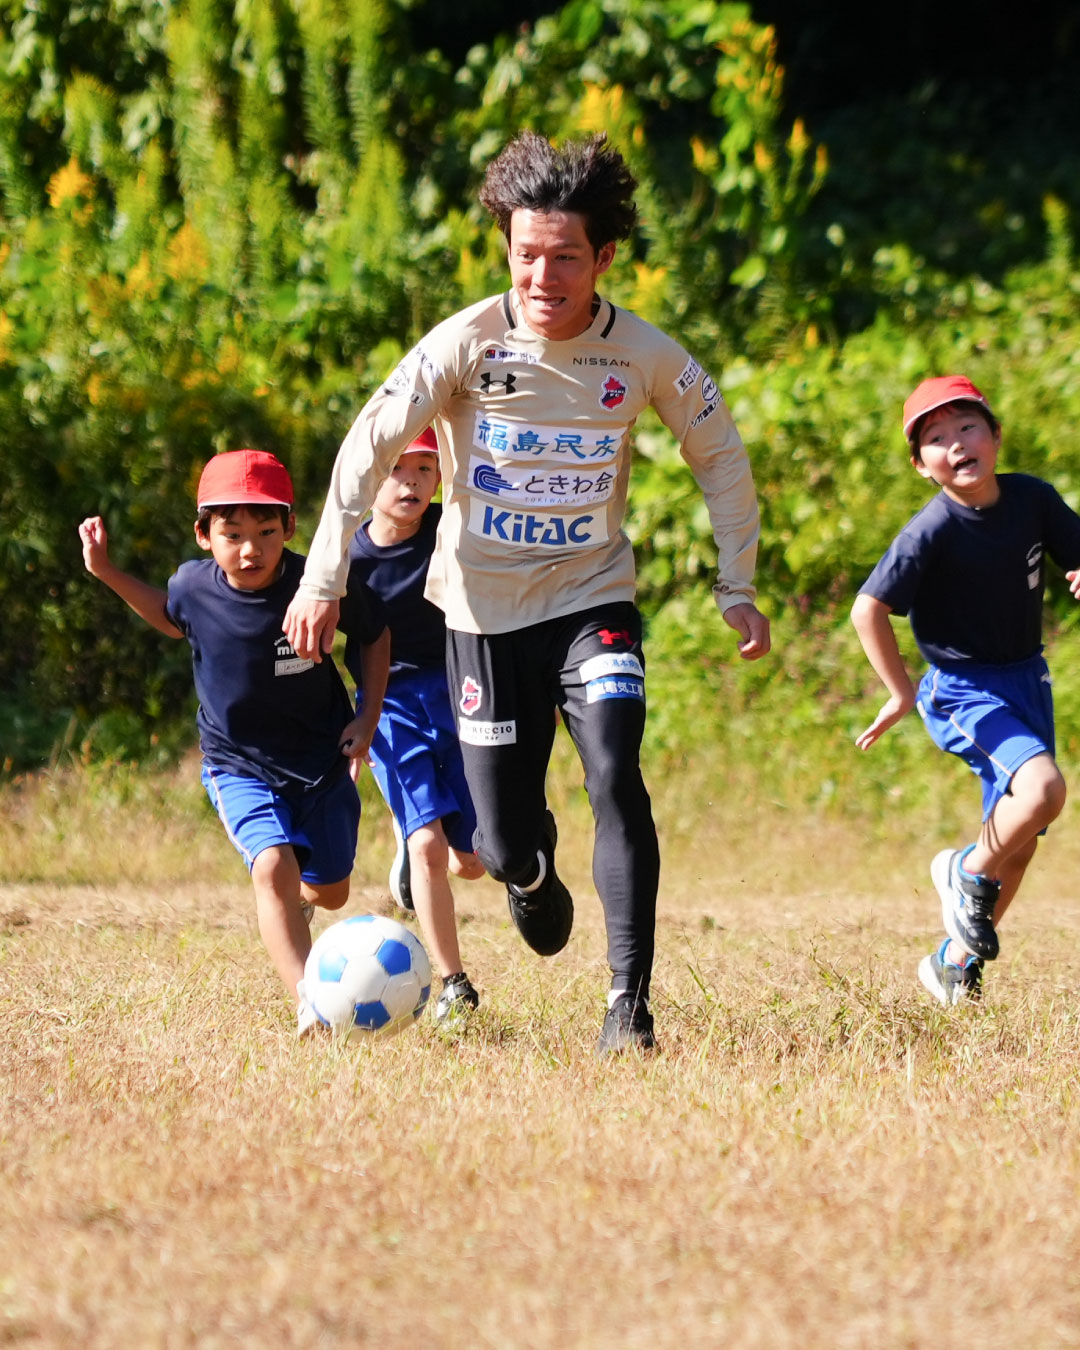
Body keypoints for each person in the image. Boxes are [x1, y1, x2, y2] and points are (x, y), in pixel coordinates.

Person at [283, 131, 770, 1055]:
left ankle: (629, 1006)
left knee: (617, 773)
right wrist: (323, 576)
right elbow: (369, 445)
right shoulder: (466, 342)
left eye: (567, 258)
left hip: (593, 601)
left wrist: (735, 581)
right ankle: (531, 870)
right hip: (481, 614)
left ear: (606, 258)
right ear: (507, 249)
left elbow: (722, 454)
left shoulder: (644, 355)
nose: (545, 278)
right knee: (501, 840)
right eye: (527, 256)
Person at [79, 449, 390, 1036]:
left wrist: (367, 717)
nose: (251, 549)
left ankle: (298, 903)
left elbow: (375, 634)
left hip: (321, 761)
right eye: (233, 534)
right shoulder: (192, 587)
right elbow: (172, 618)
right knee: (272, 864)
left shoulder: (318, 581)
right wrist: (106, 571)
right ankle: (312, 1001)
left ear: (291, 528)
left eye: (267, 532)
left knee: (331, 891)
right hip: (237, 763)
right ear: (204, 535)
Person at [851, 375, 1080, 1004]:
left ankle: (953, 963)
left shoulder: (1032, 499)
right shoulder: (931, 531)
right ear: (922, 466)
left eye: (967, 427)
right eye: (935, 437)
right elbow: (868, 608)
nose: (955, 444)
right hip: (962, 690)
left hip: (1026, 680)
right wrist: (899, 692)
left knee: (1022, 843)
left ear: (996, 435)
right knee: (1044, 791)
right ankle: (962, 870)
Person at [344, 427, 486, 1028]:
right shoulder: (345, 560)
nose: (409, 481)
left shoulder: (450, 533)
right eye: (396, 468)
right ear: (369, 477)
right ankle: (455, 983)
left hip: (460, 695)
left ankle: (416, 850)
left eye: (425, 469)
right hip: (390, 706)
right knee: (430, 845)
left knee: (474, 860)